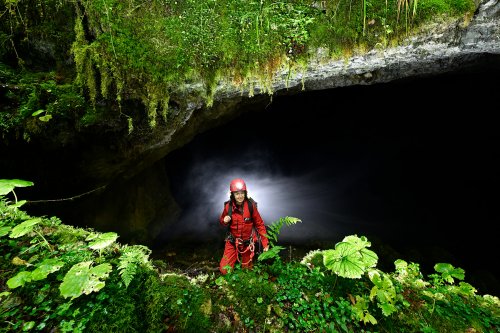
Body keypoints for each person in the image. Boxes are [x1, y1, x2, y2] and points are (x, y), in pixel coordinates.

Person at [219, 178, 269, 274]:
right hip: (233, 242)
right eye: (237, 193)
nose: (240, 196)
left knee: (247, 271)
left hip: (247, 243)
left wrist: (265, 242)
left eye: (242, 193)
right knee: (224, 270)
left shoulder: (251, 206)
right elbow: (222, 221)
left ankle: (245, 264)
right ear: (232, 194)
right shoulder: (228, 207)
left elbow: (259, 224)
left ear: (245, 193)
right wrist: (224, 220)